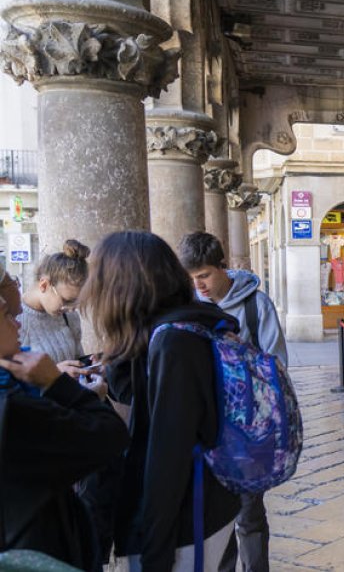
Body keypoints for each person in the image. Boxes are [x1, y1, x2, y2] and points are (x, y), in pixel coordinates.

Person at [84, 232, 241, 572]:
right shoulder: (180, 325)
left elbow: (168, 454)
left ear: (122, 286)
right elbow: (140, 396)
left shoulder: (174, 342)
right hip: (201, 506)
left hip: (186, 520)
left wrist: (154, 550)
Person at [0, 273, 129, 572]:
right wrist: (57, 384)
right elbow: (110, 435)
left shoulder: (17, 394)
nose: (18, 325)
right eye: (6, 316)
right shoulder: (14, 409)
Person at [178, 231, 288, 572]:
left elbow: (277, 367)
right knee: (214, 522)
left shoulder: (256, 305)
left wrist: (238, 355)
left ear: (222, 267)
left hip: (246, 432)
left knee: (249, 514)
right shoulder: (187, 308)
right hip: (202, 431)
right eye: (192, 278)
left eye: (204, 275)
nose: (199, 285)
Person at [18, 239, 88, 367]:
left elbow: (77, 359)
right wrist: (55, 374)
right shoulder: (13, 320)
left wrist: (89, 364)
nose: (72, 308)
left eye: (76, 302)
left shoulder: (70, 317)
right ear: (44, 285)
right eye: (67, 300)